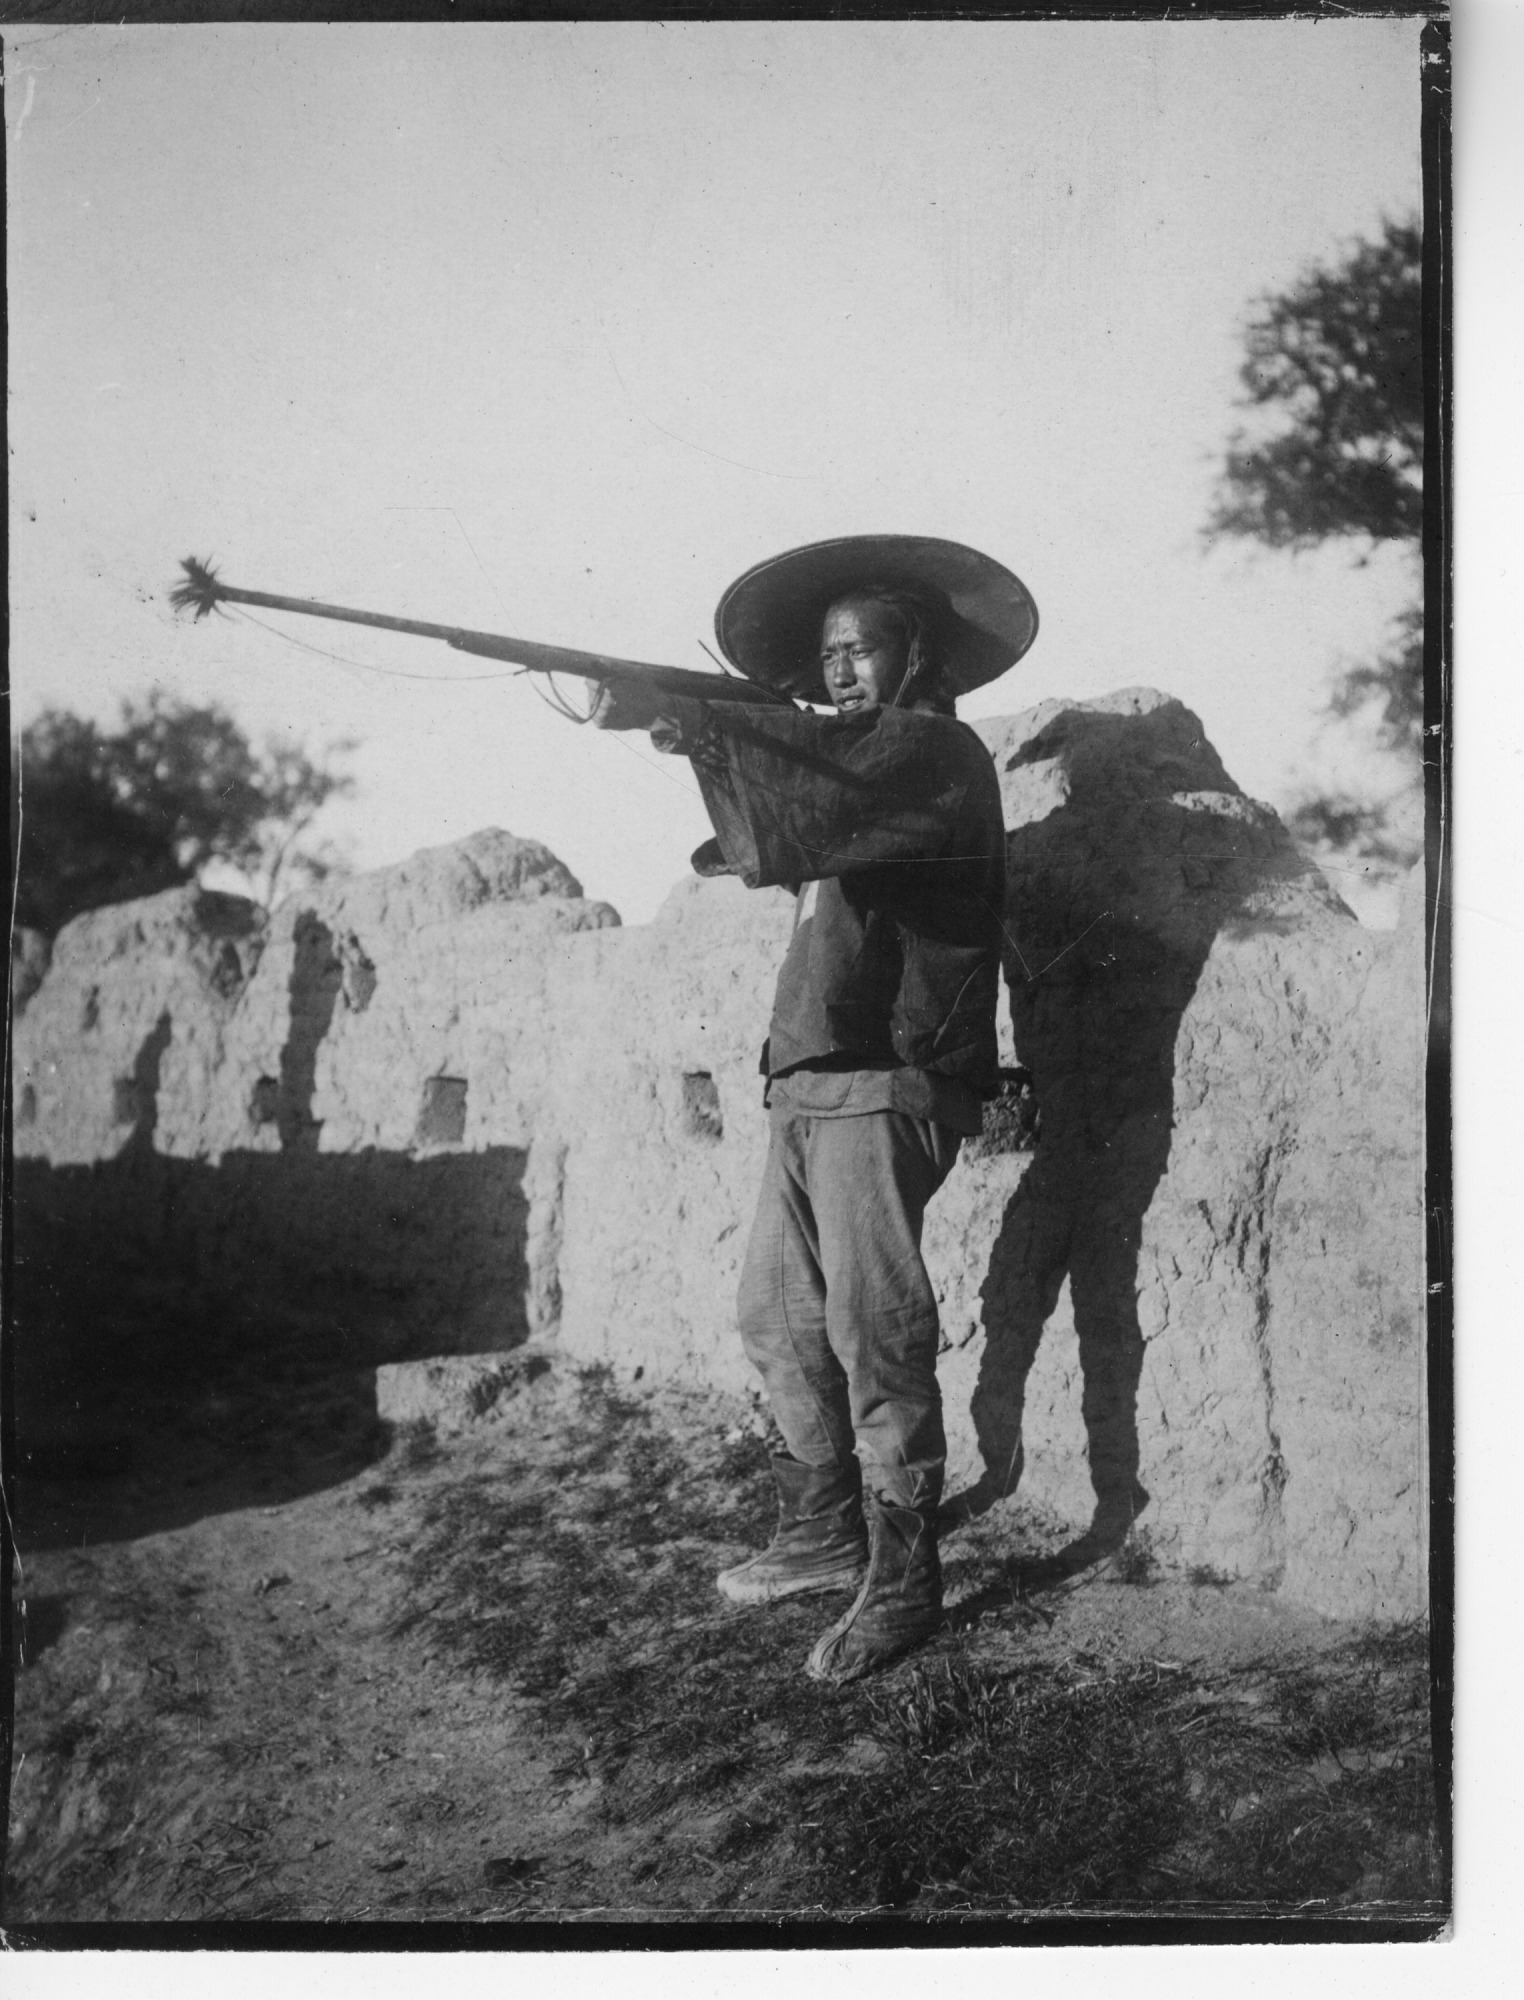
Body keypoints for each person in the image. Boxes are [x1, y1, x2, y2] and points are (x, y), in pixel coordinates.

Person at [593, 535, 1037, 1683]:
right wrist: (693, 729)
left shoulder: (933, 756)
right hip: (806, 1081)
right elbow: (764, 833)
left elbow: (811, 792)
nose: (839, 669)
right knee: (778, 1315)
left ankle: (906, 1573)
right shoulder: (851, 778)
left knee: (872, 1328)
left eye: (862, 648)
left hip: (885, 1077)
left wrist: (701, 719)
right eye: (829, 654)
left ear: (914, 656)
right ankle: (821, 1530)